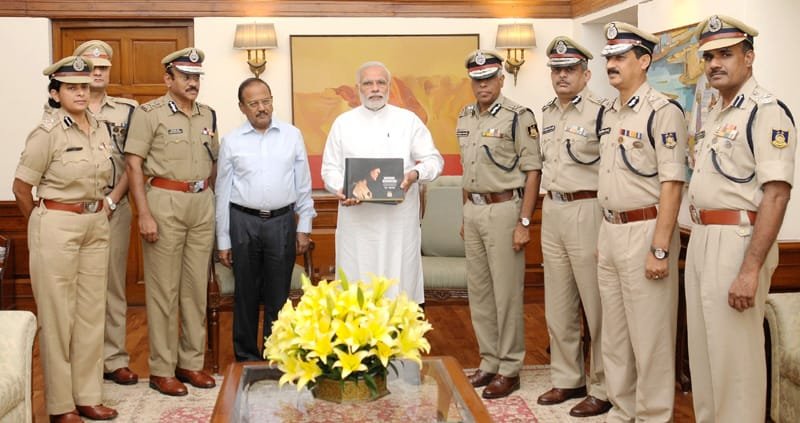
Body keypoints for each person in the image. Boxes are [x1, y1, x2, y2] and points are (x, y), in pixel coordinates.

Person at [686, 15, 795, 423]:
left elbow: (777, 193)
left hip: (736, 241)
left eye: (726, 54)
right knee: (706, 356)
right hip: (702, 236)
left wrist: (750, 269)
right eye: (709, 56)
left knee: (736, 363)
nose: (715, 63)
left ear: (749, 58)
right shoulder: (717, 112)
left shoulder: (766, 112)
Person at [12, 56, 118, 422]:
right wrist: (42, 224)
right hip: (56, 224)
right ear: (55, 93)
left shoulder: (101, 128)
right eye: (72, 87)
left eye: (85, 87)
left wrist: (100, 210)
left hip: (94, 225)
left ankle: (88, 395)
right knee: (58, 318)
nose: (81, 93)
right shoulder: (46, 133)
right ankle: (60, 406)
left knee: (91, 315)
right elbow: (22, 188)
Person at [596, 22, 687, 422]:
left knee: (650, 336)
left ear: (644, 61)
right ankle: (622, 408)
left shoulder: (663, 111)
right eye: (609, 58)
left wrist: (660, 246)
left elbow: (672, 184)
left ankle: (653, 415)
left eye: (620, 57)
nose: (611, 65)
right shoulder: (609, 112)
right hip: (610, 230)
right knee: (614, 334)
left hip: (646, 231)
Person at [125, 47, 218, 396]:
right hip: (164, 203)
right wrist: (144, 213)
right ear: (169, 79)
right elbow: (134, 164)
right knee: (165, 291)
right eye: (186, 77)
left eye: (196, 77)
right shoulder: (149, 114)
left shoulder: (209, 114)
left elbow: (214, 162)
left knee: (195, 291)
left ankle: (191, 363)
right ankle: (162, 369)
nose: (193, 83)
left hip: (201, 203)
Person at [320, 61, 443, 305]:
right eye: (368, 83)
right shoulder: (343, 124)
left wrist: (415, 175)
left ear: (388, 86)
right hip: (357, 224)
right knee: (357, 291)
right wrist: (342, 188)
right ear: (358, 88)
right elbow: (329, 169)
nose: (375, 88)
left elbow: (433, 160)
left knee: (399, 289)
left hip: (399, 224)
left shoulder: (408, 121)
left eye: (381, 82)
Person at [456, 50, 542, 399]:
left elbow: (533, 169)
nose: (483, 85)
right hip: (474, 212)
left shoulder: (517, 117)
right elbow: (467, 169)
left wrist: (524, 221)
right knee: (479, 294)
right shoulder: (464, 117)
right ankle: (489, 360)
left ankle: (509, 367)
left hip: (505, 210)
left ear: (501, 80)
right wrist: (465, 212)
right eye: (477, 80)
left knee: (506, 295)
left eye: (489, 78)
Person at [215, 78, 316, 362]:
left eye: (266, 101)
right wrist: (223, 239)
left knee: (278, 296)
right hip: (243, 222)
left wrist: (304, 227)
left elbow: (303, 185)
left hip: (282, 222)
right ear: (242, 108)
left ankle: (277, 356)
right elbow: (222, 192)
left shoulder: (292, 135)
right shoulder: (231, 141)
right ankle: (246, 359)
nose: (262, 108)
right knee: (245, 295)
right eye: (254, 103)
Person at [536, 36, 611, 417]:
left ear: (586, 73)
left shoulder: (602, 111)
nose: (562, 76)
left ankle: (602, 385)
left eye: (570, 69)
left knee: (595, 306)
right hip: (553, 209)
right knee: (558, 304)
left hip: (588, 209)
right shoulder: (548, 112)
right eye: (556, 70)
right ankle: (567, 379)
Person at [71, 39, 141, 386]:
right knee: (78, 287)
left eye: (103, 68)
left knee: (113, 285)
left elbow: (134, 163)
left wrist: (112, 201)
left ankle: (114, 359)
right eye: (91, 67)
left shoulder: (127, 110)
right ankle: (84, 361)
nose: (97, 73)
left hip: (115, 207)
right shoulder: (65, 105)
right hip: (72, 211)